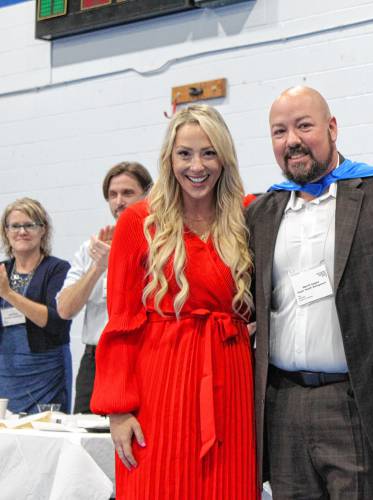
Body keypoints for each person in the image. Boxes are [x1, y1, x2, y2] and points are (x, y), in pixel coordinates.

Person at [246, 86, 373, 499]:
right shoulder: (259, 214)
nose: (292, 141)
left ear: (332, 127)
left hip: (356, 402)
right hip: (283, 405)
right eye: (279, 131)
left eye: (304, 126)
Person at [90, 104, 256, 499]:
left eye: (208, 152)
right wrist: (118, 410)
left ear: (224, 158)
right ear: (169, 159)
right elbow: (121, 322)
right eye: (185, 153)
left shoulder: (246, 216)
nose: (196, 165)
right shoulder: (138, 221)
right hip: (159, 387)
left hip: (229, 381)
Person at [57, 161, 152, 414]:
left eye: (127, 193)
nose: (119, 201)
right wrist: (98, 267)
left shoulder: (160, 245)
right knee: (85, 444)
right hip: (96, 361)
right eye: (113, 195)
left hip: (143, 355)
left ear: (148, 194)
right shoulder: (91, 249)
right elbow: (65, 309)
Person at [0, 198, 72, 413]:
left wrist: (8, 294)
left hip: (46, 372)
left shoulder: (57, 269)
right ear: (6, 232)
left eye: (30, 225)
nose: (22, 231)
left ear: (43, 230)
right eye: (15, 226)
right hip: (6, 368)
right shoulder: (3, 269)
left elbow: (55, 321)